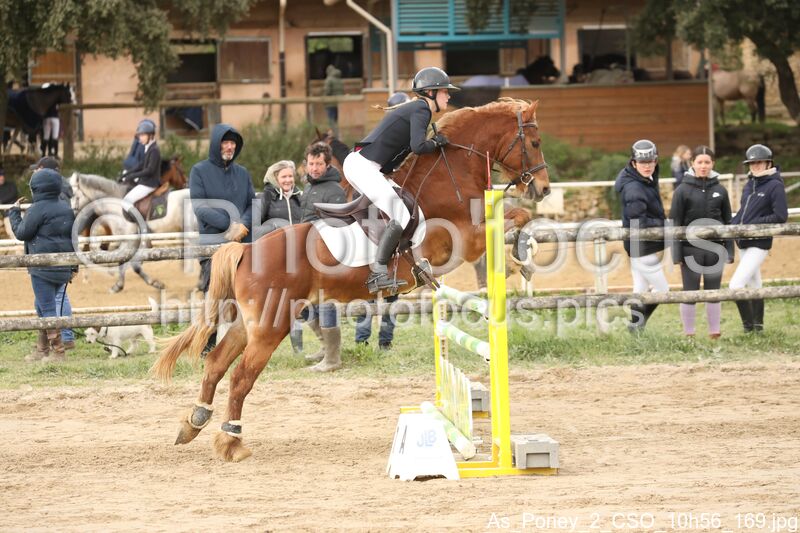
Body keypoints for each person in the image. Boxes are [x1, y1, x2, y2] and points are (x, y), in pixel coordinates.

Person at [342, 66, 458, 293]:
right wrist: (437, 142)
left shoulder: (418, 109)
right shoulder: (422, 109)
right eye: (445, 91)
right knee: (401, 215)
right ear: (431, 92)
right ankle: (377, 273)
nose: (449, 96)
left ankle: (396, 261)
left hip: (365, 167)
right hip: (363, 167)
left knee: (408, 207)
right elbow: (419, 146)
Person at [190, 123, 253, 353]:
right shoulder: (199, 171)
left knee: (243, 297)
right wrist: (230, 225)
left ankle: (241, 347)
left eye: (233, 143)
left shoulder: (242, 173)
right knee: (213, 299)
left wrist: (243, 225)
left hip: (240, 245)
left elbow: (252, 203)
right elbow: (200, 208)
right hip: (212, 245)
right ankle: (207, 348)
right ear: (216, 144)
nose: (229, 146)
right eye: (225, 142)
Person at [8, 169, 75, 362]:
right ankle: (42, 349)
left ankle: (58, 352)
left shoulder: (37, 209)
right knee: (40, 306)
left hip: (42, 268)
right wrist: (73, 267)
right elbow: (72, 238)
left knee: (46, 308)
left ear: (36, 188)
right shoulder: (65, 207)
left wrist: (14, 213)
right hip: (63, 267)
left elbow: (22, 233)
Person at [670, 146, 733, 339]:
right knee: (690, 292)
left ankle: (714, 333)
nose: (703, 166)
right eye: (700, 162)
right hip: (690, 250)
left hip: (715, 250)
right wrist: (676, 254)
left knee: (714, 291)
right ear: (692, 164)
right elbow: (675, 223)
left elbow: (728, 221)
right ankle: (689, 334)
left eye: (707, 162)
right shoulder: (682, 190)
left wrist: (729, 250)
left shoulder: (720, 190)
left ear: (713, 163)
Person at [729, 144, 788, 332]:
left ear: (769, 163)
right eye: (752, 163)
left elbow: (780, 216)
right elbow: (743, 213)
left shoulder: (775, 186)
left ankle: (748, 328)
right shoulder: (749, 184)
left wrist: (755, 223)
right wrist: (731, 224)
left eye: (759, 162)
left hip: (760, 243)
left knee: (735, 285)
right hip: (743, 242)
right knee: (755, 284)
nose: (755, 166)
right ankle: (758, 328)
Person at [614, 139, 669, 332]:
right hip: (642, 246)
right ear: (634, 163)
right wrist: (665, 224)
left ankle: (636, 329)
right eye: (642, 162)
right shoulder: (634, 188)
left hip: (639, 245)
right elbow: (639, 222)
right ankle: (636, 325)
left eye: (650, 162)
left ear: (656, 161)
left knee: (640, 288)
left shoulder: (644, 178)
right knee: (662, 290)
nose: (647, 166)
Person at [300, 142, 346, 371]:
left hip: (324, 256)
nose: (314, 168)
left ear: (327, 165)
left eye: (319, 164)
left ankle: (333, 358)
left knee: (326, 303)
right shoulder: (308, 187)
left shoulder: (335, 191)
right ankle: (324, 347)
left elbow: (337, 225)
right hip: (306, 254)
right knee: (304, 302)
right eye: (311, 163)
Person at [259, 159, 304, 354]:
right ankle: (263, 345)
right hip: (276, 258)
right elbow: (258, 226)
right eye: (284, 176)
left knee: (296, 301)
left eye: (290, 176)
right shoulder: (267, 196)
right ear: (275, 178)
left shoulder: (299, 197)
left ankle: (298, 349)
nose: (288, 180)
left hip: (298, 258)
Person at [30, 156, 75, 349]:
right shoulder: (59, 193)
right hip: (60, 254)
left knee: (55, 299)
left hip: (52, 256)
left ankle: (63, 340)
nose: (35, 172)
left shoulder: (54, 196)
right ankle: (53, 342)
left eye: (38, 169)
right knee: (44, 301)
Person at [121, 119, 161, 212]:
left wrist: (133, 175)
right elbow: (141, 165)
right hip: (145, 182)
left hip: (149, 184)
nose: (140, 138)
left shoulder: (154, 150)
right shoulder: (149, 148)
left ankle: (138, 221)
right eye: (139, 135)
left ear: (151, 135)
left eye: (142, 135)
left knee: (126, 201)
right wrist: (127, 174)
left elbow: (150, 170)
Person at [323, 64, 344, 134]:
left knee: (331, 121)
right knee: (336, 121)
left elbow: (327, 91)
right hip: (338, 103)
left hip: (330, 103)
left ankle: (334, 135)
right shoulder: (339, 79)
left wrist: (324, 100)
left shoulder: (329, 79)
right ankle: (337, 134)